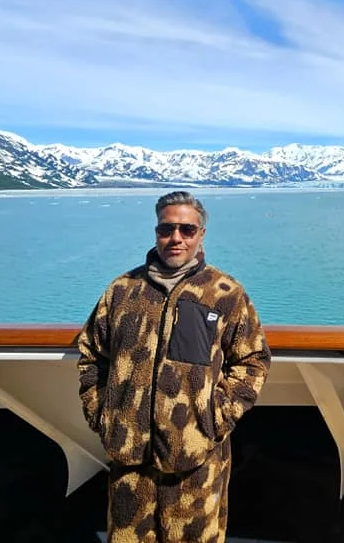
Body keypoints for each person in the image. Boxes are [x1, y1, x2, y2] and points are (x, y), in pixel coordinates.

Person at [76, 191, 272, 543]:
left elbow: (252, 360)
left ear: (201, 235)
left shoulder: (224, 293)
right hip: (129, 458)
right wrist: (102, 414)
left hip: (196, 458)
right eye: (167, 229)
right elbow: (92, 355)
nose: (176, 238)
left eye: (187, 229)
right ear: (156, 232)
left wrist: (215, 418)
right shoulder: (123, 291)